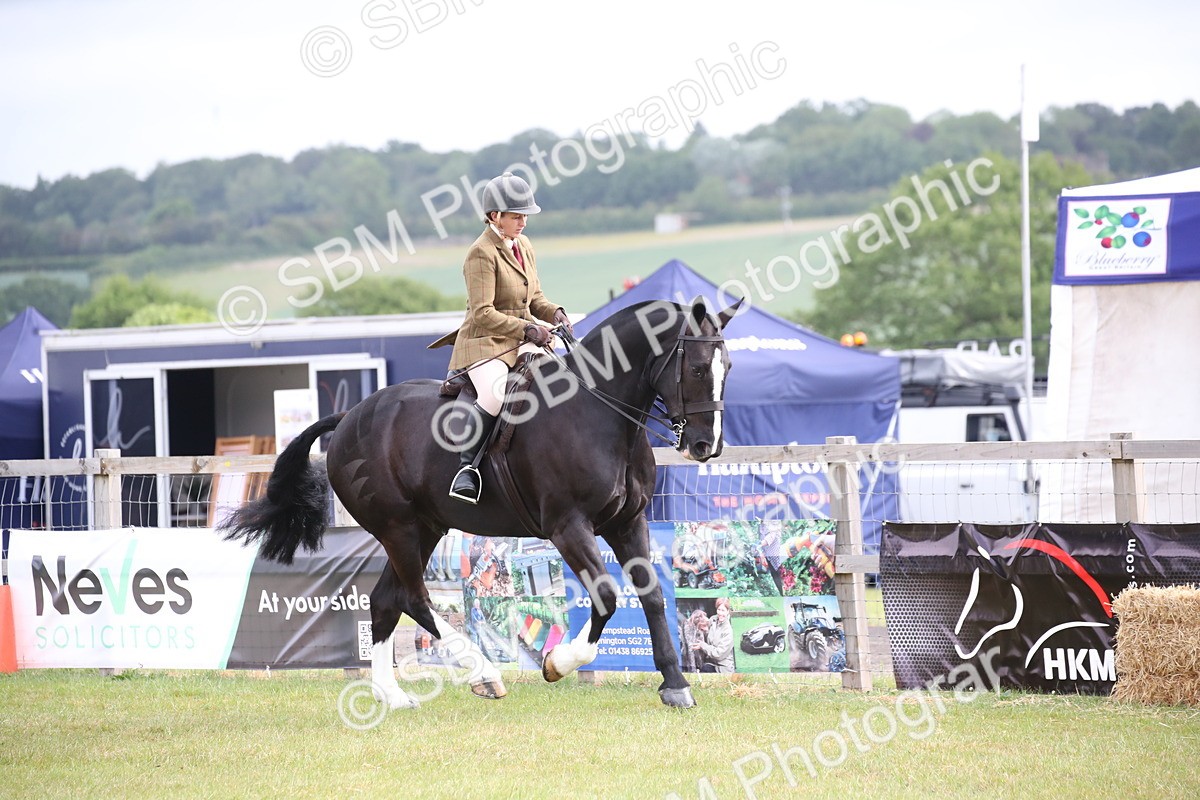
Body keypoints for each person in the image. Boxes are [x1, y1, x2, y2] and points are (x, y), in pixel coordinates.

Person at [429, 172, 572, 504]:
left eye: (524, 215)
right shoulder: (481, 253)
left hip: (521, 342)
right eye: (516, 215)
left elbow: (535, 299)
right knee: (495, 396)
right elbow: (482, 313)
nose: (522, 221)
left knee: (560, 382)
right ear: (495, 216)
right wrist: (527, 329)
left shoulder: (524, 245)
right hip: (485, 344)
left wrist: (555, 314)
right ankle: (468, 470)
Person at [690, 597, 734, 673]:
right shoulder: (713, 619)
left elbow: (718, 654)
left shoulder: (728, 631)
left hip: (723, 667)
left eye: (723, 610)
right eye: (719, 609)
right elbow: (709, 635)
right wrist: (704, 630)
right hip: (711, 662)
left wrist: (702, 646)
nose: (720, 613)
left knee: (704, 670)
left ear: (728, 611)